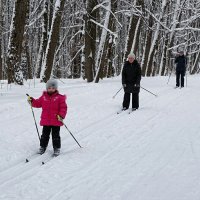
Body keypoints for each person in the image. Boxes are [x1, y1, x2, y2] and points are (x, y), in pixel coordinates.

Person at [28, 79, 67, 156]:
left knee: (55, 136)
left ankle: (56, 148)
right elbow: (37, 103)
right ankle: (42, 147)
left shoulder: (60, 98)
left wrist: (61, 115)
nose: (51, 90)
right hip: (46, 121)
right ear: (47, 88)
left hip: (56, 120)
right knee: (44, 135)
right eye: (49, 88)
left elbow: (63, 108)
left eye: (53, 88)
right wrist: (32, 101)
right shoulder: (43, 97)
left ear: (56, 88)